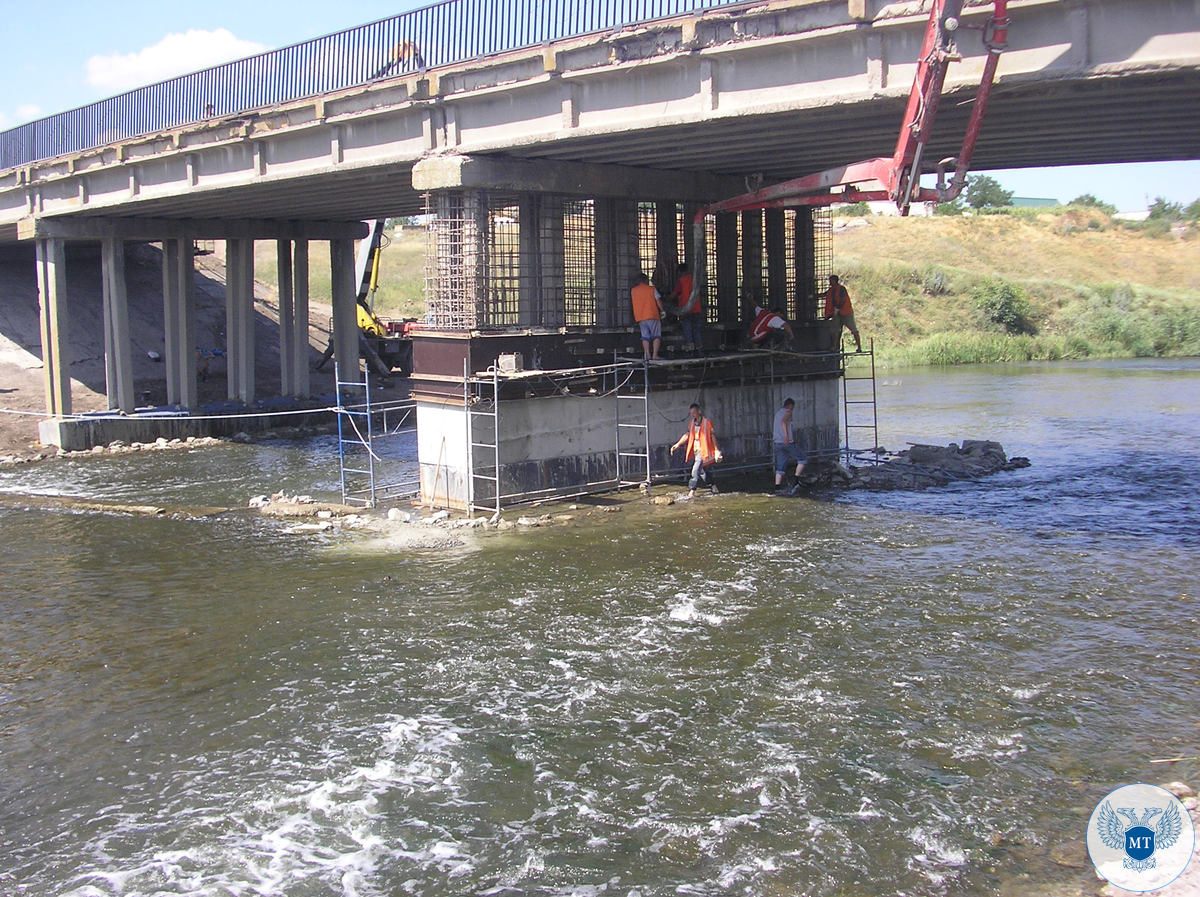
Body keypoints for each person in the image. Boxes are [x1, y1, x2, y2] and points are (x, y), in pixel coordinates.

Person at [671, 403, 722, 497]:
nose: (692, 415)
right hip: (696, 450)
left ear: (699, 412)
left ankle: (692, 490)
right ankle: (714, 487)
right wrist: (678, 444)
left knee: (695, 470)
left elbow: (713, 436)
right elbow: (687, 435)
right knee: (703, 471)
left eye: (694, 412)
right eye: (691, 413)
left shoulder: (707, 423)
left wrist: (716, 450)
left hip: (704, 451)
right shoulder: (691, 423)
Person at [773, 397, 806, 494]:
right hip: (787, 443)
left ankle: (777, 487)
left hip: (778, 443)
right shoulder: (788, 412)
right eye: (793, 407)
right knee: (803, 459)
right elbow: (784, 422)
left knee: (780, 467)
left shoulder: (778, 413)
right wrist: (787, 437)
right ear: (790, 406)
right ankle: (796, 481)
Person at [667, 263, 702, 354]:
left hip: (685, 311)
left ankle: (690, 351)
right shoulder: (694, 279)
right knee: (696, 331)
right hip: (696, 309)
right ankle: (699, 350)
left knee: (688, 331)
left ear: (679, 272)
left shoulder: (681, 281)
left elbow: (674, 295)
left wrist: (665, 300)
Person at [822, 274, 862, 352]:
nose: (829, 282)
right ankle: (833, 347)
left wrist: (838, 308)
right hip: (837, 314)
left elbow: (843, 299)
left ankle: (859, 347)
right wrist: (813, 296)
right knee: (834, 330)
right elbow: (825, 294)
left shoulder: (841, 289)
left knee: (853, 330)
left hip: (846, 313)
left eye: (831, 280)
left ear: (835, 281)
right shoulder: (831, 290)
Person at [630, 272, 665, 360]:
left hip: (640, 317)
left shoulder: (633, 290)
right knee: (656, 335)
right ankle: (655, 355)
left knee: (645, 336)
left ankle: (647, 355)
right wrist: (662, 310)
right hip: (652, 315)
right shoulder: (652, 289)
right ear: (646, 280)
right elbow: (658, 301)